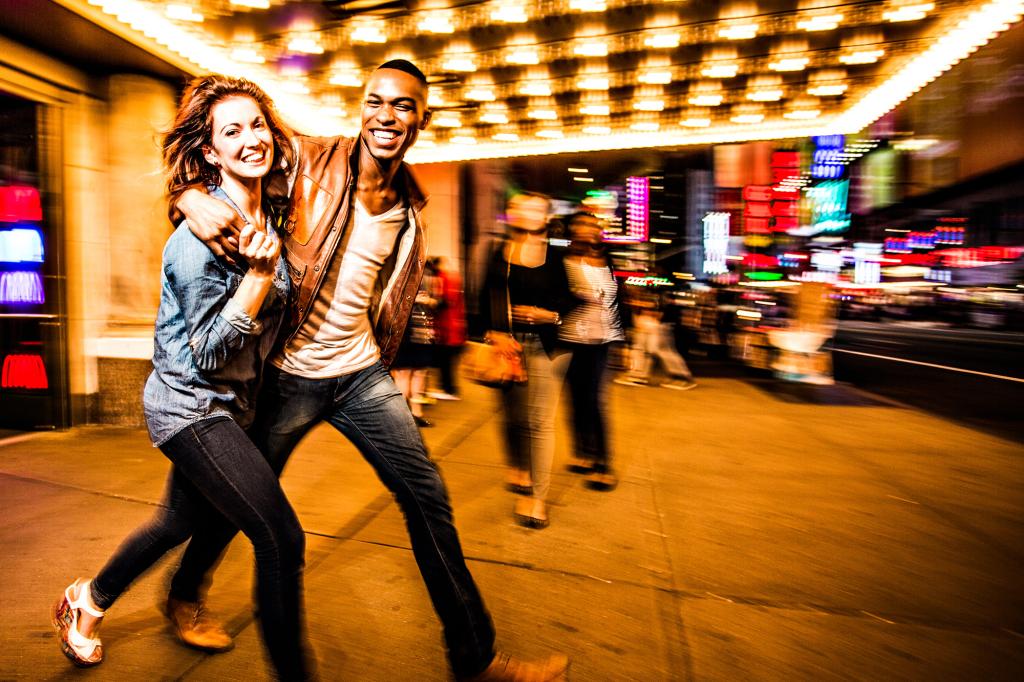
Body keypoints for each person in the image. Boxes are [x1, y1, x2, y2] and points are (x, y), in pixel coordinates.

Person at [172, 60, 567, 681]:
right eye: (376, 102)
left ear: (420, 120)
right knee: (241, 505)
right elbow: (219, 165)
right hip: (287, 374)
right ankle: (186, 591)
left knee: (427, 497)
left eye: (403, 106)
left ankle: (475, 658)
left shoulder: (411, 207)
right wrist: (190, 198)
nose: (387, 116)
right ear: (362, 108)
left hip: (360, 375)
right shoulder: (304, 159)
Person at [53, 75, 312, 679]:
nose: (251, 139)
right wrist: (254, 281)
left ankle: (86, 600)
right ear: (210, 152)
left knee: (177, 520)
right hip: (190, 407)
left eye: (257, 124)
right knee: (280, 538)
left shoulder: (268, 212)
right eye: (231, 131)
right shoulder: (197, 244)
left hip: (236, 408)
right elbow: (207, 355)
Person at [479, 192, 573, 529]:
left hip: (547, 347)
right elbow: (484, 295)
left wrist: (550, 315)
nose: (530, 213)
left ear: (546, 215)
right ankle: (519, 466)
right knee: (513, 418)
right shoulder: (498, 253)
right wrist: (495, 332)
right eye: (523, 207)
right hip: (509, 348)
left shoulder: (559, 254)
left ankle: (536, 497)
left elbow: (572, 299)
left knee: (539, 423)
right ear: (512, 214)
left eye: (538, 208)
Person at [559, 212, 625, 491]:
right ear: (572, 229)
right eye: (581, 224)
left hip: (602, 339)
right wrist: (575, 295)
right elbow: (554, 296)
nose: (587, 229)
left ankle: (602, 463)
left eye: (592, 225)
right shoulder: (560, 261)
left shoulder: (609, 260)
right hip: (570, 337)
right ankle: (582, 454)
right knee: (574, 400)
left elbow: (619, 301)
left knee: (595, 401)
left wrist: (625, 342)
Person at [392, 257, 442, 427]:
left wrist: (428, 301)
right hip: (409, 329)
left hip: (417, 329)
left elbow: (437, 300)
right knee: (407, 373)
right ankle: (406, 415)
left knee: (415, 372)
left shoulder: (412, 274)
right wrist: (424, 300)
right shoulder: (403, 275)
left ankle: (413, 413)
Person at [615, 293, 697, 390]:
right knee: (645, 351)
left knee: (659, 352)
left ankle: (683, 378)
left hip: (656, 325)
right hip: (652, 324)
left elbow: (655, 309)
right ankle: (639, 376)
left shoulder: (655, 296)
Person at [430, 255, 467, 401]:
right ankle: (448, 388)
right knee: (449, 360)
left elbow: (445, 300)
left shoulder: (443, 277)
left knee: (445, 360)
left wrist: (432, 303)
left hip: (446, 326)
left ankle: (449, 389)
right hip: (455, 325)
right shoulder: (454, 276)